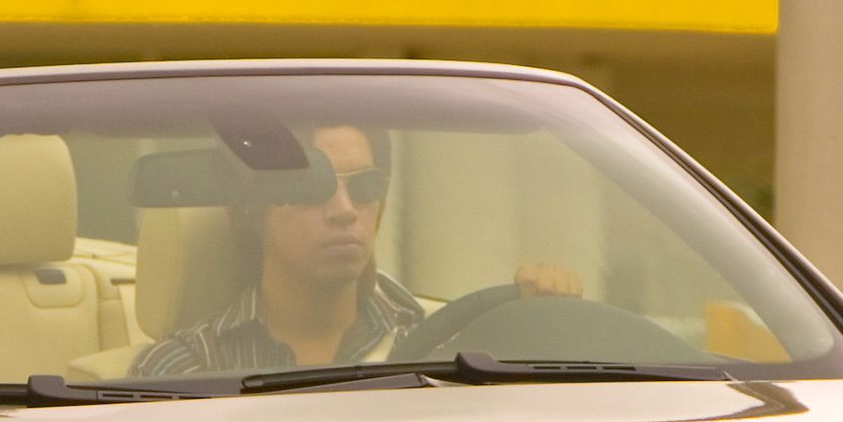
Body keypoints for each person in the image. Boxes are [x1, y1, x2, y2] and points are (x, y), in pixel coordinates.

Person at [129, 124, 580, 377]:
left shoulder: (440, 349)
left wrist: (548, 328)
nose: (345, 210)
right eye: (313, 186)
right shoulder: (178, 369)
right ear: (252, 208)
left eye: (365, 185)